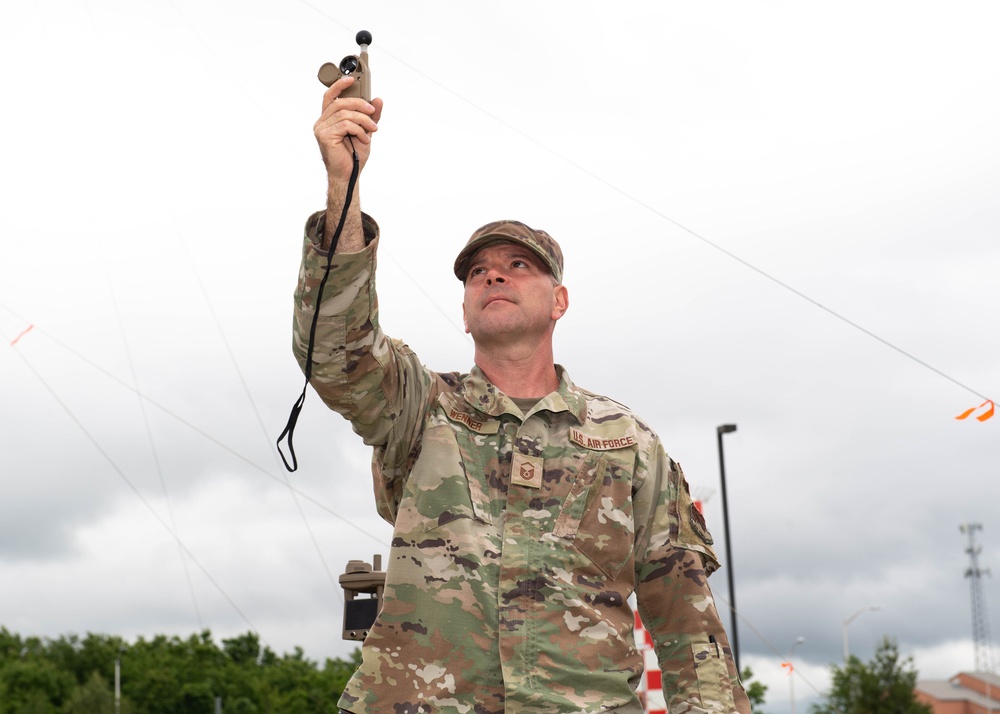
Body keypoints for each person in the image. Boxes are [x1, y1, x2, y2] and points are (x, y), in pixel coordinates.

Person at [293, 76, 750, 714]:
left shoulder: (626, 443)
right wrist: (345, 185)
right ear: (465, 309)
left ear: (558, 301)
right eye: (478, 272)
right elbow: (337, 354)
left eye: (519, 266)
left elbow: (687, 625)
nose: (494, 275)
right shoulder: (421, 409)